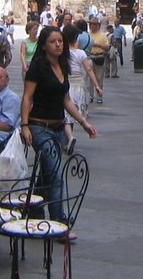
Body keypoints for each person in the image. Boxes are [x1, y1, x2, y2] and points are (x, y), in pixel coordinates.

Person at [20, 26, 97, 227]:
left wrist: (83, 122)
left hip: (58, 128)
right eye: (53, 42)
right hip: (39, 127)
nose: (58, 45)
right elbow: (27, 98)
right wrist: (25, 125)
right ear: (44, 46)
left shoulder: (63, 67)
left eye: (60, 41)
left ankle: (32, 210)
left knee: (46, 174)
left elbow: (66, 100)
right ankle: (58, 222)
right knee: (55, 174)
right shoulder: (37, 67)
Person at [61, 25, 102, 153]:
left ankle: (69, 137)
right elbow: (88, 70)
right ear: (76, 38)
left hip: (67, 84)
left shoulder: (62, 52)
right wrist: (96, 86)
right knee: (72, 114)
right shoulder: (80, 53)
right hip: (78, 85)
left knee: (66, 114)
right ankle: (68, 139)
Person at [86, 15, 110, 103]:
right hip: (89, 56)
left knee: (99, 78)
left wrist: (98, 45)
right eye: (91, 24)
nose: (93, 26)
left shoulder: (102, 36)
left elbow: (107, 47)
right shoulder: (88, 35)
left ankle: (99, 96)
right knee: (89, 79)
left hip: (99, 56)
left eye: (95, 24)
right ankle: (90, 96)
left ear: (98, 26)